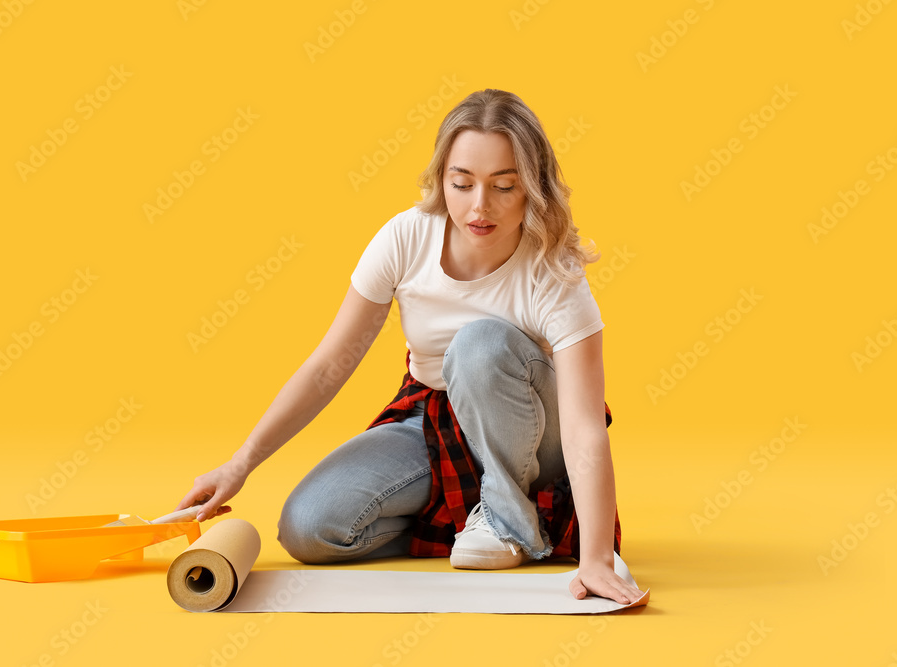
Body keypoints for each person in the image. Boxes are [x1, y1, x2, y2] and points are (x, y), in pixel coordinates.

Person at [175, 89, 641, 605]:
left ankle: (510, 523)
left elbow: (581, 426)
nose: (478, 207)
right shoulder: (406, 237)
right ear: (442, 179)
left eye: (503, 186)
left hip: (539, 435)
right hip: (437, 420)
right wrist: (240, 463)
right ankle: (475, 520)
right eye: (461, 184)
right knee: (310, 528)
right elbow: (330, 365)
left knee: (478, 343)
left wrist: (597, 558)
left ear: (532, 188)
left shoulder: (553, 268)